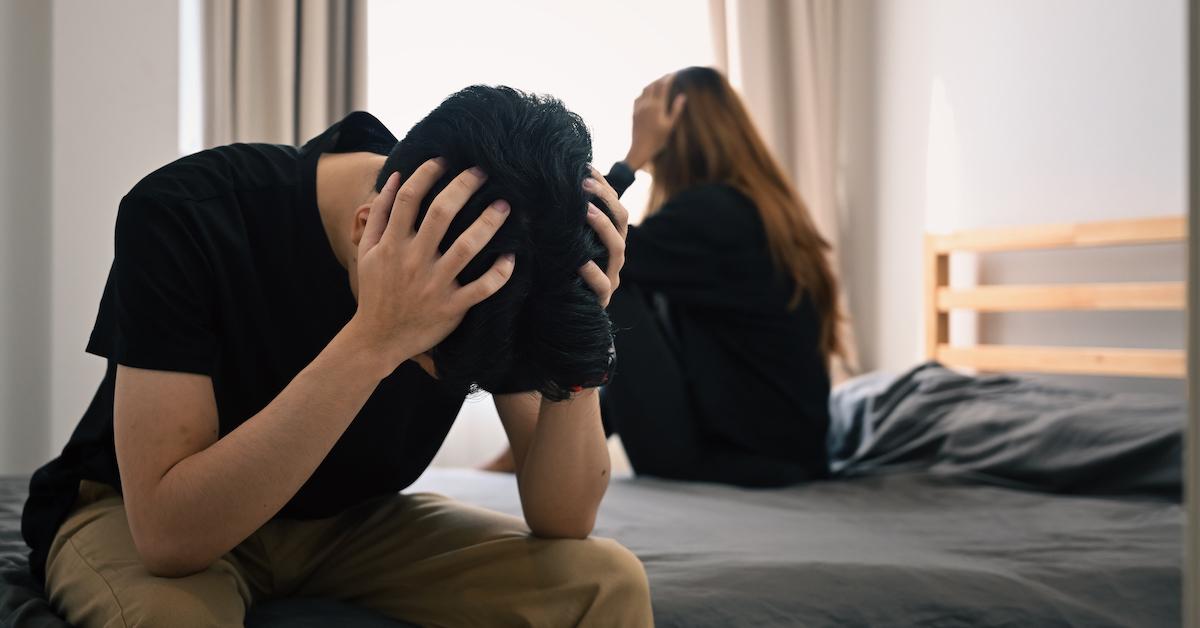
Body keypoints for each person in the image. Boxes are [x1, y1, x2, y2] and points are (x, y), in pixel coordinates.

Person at [22, 85, 652, 627]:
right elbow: (168, 537)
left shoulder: (501, 248)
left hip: (351, 520)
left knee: (606, 580)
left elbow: (564, 517)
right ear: (365, 230)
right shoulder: (186, 213)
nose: (436, 379)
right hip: (145, 510)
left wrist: (578, 333)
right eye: (427, 353)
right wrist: (378, 337)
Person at [487, 67, 842, 488]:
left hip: (747, 463)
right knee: (614, 275)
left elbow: (581, 239)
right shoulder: (742, 209)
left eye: (652, 103)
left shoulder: (718, 213)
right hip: (770, 456)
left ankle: (525, 452)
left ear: (680, 118)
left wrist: (633, 158)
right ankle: (527, 453)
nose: (640, 111)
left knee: (605, 272)